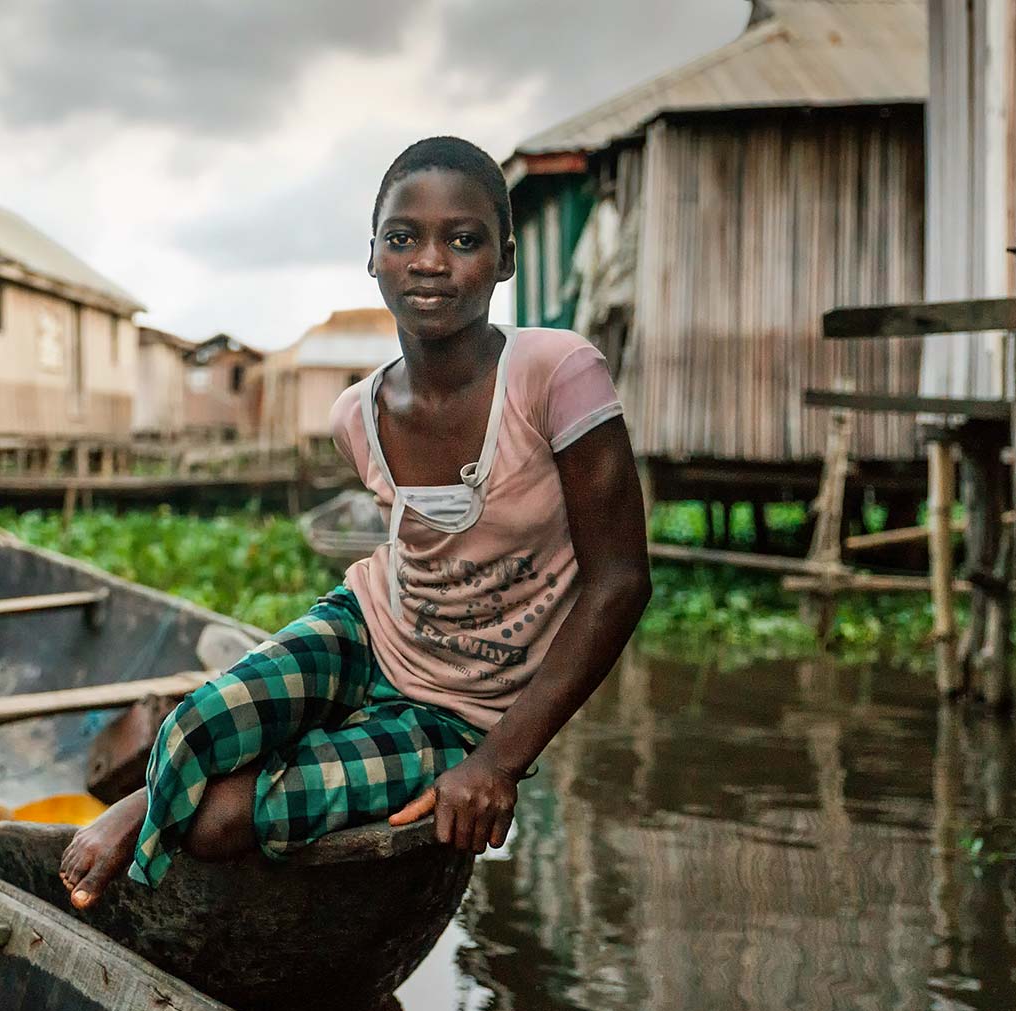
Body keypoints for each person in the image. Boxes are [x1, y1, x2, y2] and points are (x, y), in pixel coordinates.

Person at [60, 136, 651, 909]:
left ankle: (155, 806)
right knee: (197, 727)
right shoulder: (357, 414)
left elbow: (619, 581)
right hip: (369, 629)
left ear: (503, 259)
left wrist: (497, 762)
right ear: (372, 258)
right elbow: (419, 561)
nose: (430, 261)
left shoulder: (556, 374)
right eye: (402, 238)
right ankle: (146, 802)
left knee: (219, 823)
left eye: (462, 239)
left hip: (464, 708)